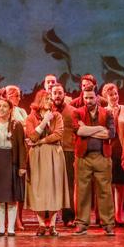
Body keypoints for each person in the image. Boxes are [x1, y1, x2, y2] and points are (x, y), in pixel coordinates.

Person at [24, 90, 69, 236]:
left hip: (54, 154)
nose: (50, 101)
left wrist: (41, 141)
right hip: (37, 156)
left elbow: (58, 134)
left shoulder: (57, 116)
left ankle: (53, 225)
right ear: (39, 100)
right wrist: (44, 122)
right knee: (38, 189)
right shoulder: (31, 117)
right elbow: (32, 136)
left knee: (54, 188)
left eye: (51, 98)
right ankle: (42, 224)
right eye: (47, 98)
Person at [73, 90, 117, 236]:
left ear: (97, 98)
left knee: (105, 191)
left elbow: (110, 134)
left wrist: (87, 129)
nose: (88, 100)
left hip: (102, 157)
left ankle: (108, 224)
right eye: (86, 97)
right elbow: (78, 131)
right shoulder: (77, 112)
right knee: (82, 192)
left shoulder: (107, 113)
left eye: (91, 97)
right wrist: (99, 128)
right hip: (83, 157)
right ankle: (81, 224)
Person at [0, 95, 27, 236]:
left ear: (10, 109)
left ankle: (11, 228)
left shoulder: (16, 125)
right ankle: (1, 228)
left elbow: (21, 146)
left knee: (11, 198)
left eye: (4, 106)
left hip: (10, 162)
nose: (1, 109)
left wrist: (22, 166)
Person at [101, 83, 124, 227]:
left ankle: (118, 215)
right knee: (107, 184)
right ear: (106, 97)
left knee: (120, 183)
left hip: (121, 149)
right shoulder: (102, 111)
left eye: (115, 94)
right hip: (107, 148)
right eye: (111, 95)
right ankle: (108, 215)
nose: (114, 97)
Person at [51, 82, 78, 226]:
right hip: (50, 152)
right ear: (51, 95)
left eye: (60, 93)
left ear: (64, 94)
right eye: (55, 93)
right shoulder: (47, 111)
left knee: (68, 185)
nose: (57, 95)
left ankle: (69, 217)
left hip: (68, 151)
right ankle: (50, 218)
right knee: (51, 184)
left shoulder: (73, 111)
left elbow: (78, 132)